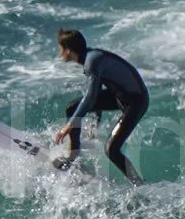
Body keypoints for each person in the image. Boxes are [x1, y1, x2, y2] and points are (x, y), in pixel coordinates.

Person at [53, 29, 147, 183]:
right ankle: (73, 154)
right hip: (119, 96)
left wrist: (70, 125)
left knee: (111, 150)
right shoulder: (91, 58)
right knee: (72, 107)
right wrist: (96, 123)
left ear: (68, 50)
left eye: (60, 48)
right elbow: (96, 93)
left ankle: (138, 183)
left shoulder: (92, 62)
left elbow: (90, 97)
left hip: (135, 101)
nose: (60, 52)